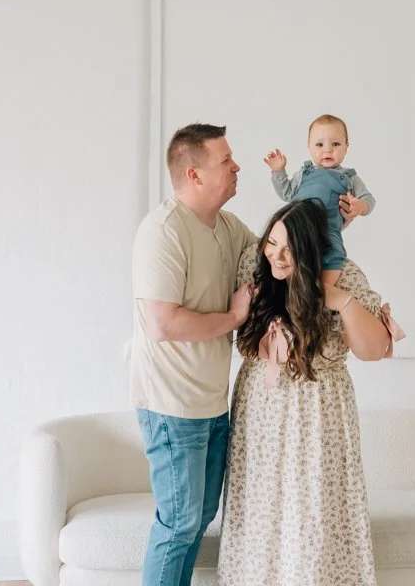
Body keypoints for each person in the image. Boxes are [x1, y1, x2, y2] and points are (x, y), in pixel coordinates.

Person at [216, 199, 403, 586]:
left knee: (313, 519)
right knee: (261, 517)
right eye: (272, 243)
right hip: (262, 411)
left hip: (319, 413)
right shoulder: (254, 266)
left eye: (289, 249)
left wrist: (338, 300)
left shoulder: (341, 274)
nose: (276, 256)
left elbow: (373, 350)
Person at [130, 123, 257, 586]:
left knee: (199, 518)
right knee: (178, 524)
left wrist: (331, 216)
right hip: (172, 405)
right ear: (194, 174)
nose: (237, 166)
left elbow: (275, 252)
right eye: (226, 161)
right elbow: (164, 324)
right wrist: (235, 316)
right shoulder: (163, 231)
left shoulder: (228, 227)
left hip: (212, 403)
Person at [264, 114, 375, 286]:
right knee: (279, 249)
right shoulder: (304, 173)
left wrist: (360, 206)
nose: (327, 150)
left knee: (334, 254)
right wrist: (278, 171)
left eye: (335, 144)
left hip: (328, 231)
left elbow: (369, 199)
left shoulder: (349, 177)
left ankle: (324, 290)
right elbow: (287, 193)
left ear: (347, 147)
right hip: (297, 229)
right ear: (309, 147)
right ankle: (273, 285)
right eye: (319, 144)